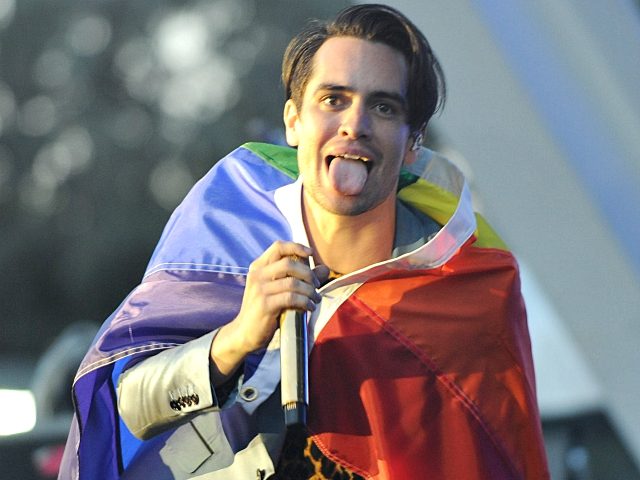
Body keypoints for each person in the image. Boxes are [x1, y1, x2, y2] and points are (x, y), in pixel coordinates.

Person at [59, 4, 549, 479]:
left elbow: (496, 457)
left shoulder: (467, 284)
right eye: (333, 99)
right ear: (294, 121)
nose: (354, 125)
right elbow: (131, 405)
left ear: (413, 142)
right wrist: (237, 338)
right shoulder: (226, 221)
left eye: (382, 106)